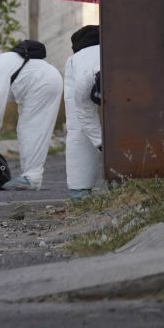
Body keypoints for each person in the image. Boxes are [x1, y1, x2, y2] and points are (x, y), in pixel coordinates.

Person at [0, 43, 63, 190]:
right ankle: (29, 176)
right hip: (42, 83)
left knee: (31, 130)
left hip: (41, 83)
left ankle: (31, 178)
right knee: (27, 130)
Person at [64, 24, 103, 199]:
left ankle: (80, 189)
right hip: (82, 74)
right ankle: (79, 190)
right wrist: (101, 143)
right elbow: (85, 113)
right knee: (79, 126)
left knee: (77, 130)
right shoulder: (83, 78)